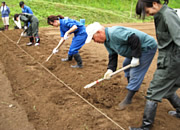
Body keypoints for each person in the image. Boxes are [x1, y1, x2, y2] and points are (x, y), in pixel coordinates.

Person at [129, 0, 180, 130]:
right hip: (170, 59)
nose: (148, 14)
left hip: (172, 61)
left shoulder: (168, 14)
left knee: (153, 92)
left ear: (154, 3)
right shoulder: (160, 15)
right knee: (168, 89)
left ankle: (146, 127)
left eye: (147, 11)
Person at [85, 22, 157, 110]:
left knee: (135, 71)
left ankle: (128, 99)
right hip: (134, 49)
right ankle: (133, 87)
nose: (95, 41)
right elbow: (112, 55)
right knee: (126, 64)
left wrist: (136, 57)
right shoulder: (107, 42)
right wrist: (110, 69)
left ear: (99, 32)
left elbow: (134, 38)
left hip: (146, 47)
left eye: (93, 38)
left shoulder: (114, 33)